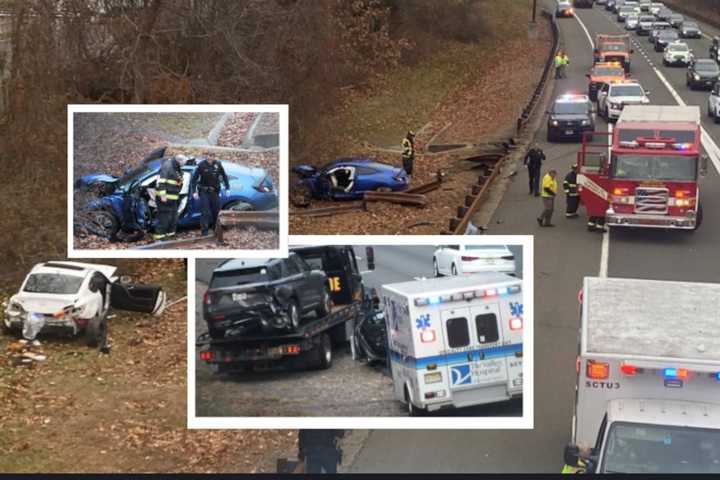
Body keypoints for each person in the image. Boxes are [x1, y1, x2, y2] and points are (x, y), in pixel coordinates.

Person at [191, 156, 230, 236]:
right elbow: (194, 180)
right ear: (206, 156)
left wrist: (227, 188)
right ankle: (204, 232)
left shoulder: (218, 164)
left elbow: (224, 176)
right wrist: (194, 191)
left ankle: (216, 229)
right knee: (205, 212)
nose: (210, 157)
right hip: (204, 192)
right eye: (209, 155)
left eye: (212, 155)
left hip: (215, 192)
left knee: (216, 211)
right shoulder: (201, 165)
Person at [154, 154, 185, 240]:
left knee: (173, 217)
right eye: (183, 163)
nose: (183, 165)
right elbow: (160, 182)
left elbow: (177, 182)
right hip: (164, 198)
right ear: (179, 161)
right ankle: (160, 237)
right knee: (164, 218)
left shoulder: (176, 168)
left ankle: (170, 235)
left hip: (173, 198)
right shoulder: (167, 166)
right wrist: (163, 195)